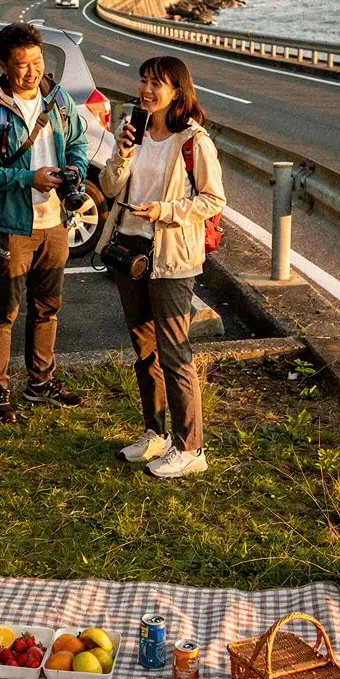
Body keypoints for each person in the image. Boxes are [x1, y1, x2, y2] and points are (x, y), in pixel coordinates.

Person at [98, 55, 225, 479]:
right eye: (144, 80)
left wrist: (166, 210)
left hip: (170, 255)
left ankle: (191, 448)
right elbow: (111, 187)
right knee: (144, 349)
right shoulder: (134, 131)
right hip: (129, 250)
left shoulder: (193, 141)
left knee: (175, 353)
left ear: (177, 91)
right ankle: (155, 433)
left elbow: (213, 200)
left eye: (158, 84)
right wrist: (121, 155)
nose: (147, 90)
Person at [0, 22, 88, 424]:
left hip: (55, 220)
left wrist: (76, 169)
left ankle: (40, 381)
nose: (32, 71)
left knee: (47, 305)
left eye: (37, 61)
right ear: (3, 65)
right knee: (5, 308)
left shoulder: (59, 99)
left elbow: (78, 142)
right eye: (21, 64)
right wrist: (25, 179)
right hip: (11, 223)